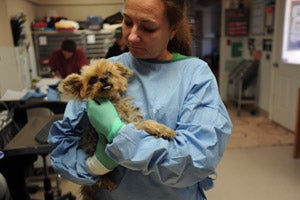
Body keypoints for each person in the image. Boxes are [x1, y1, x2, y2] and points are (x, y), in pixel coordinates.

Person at [48, 0, 232, 199]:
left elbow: (197, 159)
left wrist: (119, 134)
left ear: (172, 30)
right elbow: (64, 148)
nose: (133, 36)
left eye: (148, 27)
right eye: (127, 22)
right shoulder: (106, 69)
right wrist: (94, 167)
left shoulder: (195, 75)